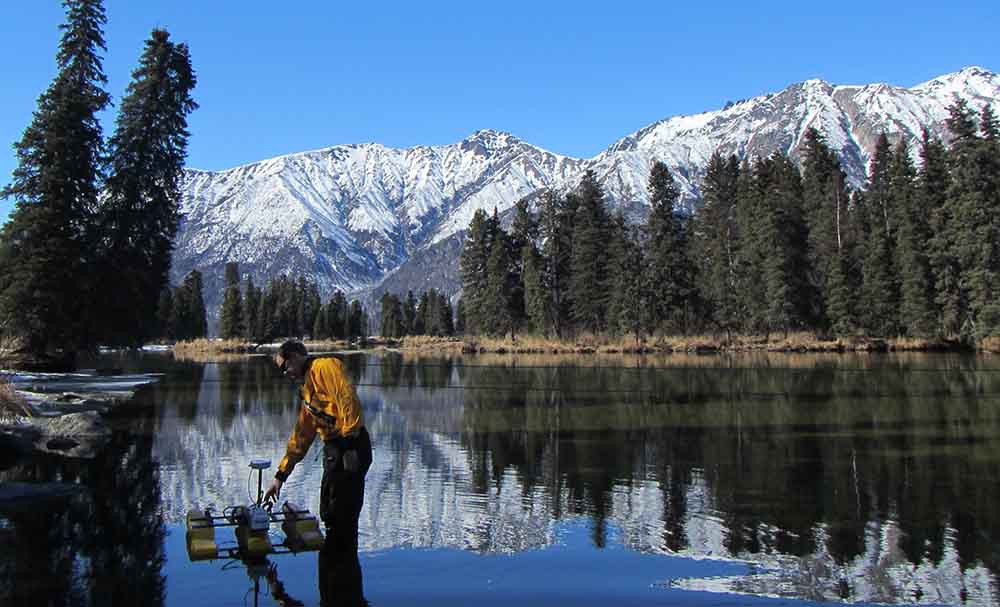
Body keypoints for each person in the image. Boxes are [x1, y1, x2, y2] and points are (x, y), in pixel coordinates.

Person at [264, 340, 372, 547]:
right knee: (330, 512)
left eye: (284, 366)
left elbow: (346, 397)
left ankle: (343, 567)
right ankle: (332, 567)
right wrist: (280, 476)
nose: (285, 373)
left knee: (344, 514)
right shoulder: (308, 391)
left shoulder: (324, 366)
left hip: (350, 446)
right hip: (334, 451)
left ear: (295, 355)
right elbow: (301, 437)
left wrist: (349, 440)